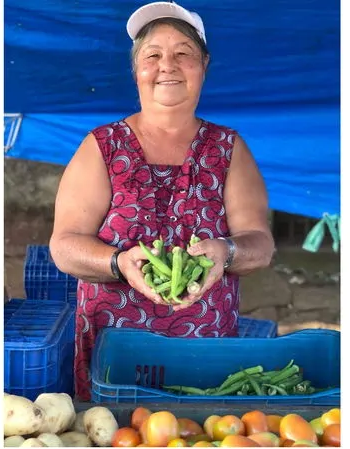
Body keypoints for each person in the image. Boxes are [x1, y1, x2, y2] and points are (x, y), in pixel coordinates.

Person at [49, 1, 275, 401]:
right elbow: (65, 247)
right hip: (114, 356)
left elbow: (259, 243)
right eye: (152, 55)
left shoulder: (228, 148)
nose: (167, 65)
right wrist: (118, 263)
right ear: (137, 71)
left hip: (204, 357)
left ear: (203, 65)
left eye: (183, 54)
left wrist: (226, 251)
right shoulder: (101, 147)